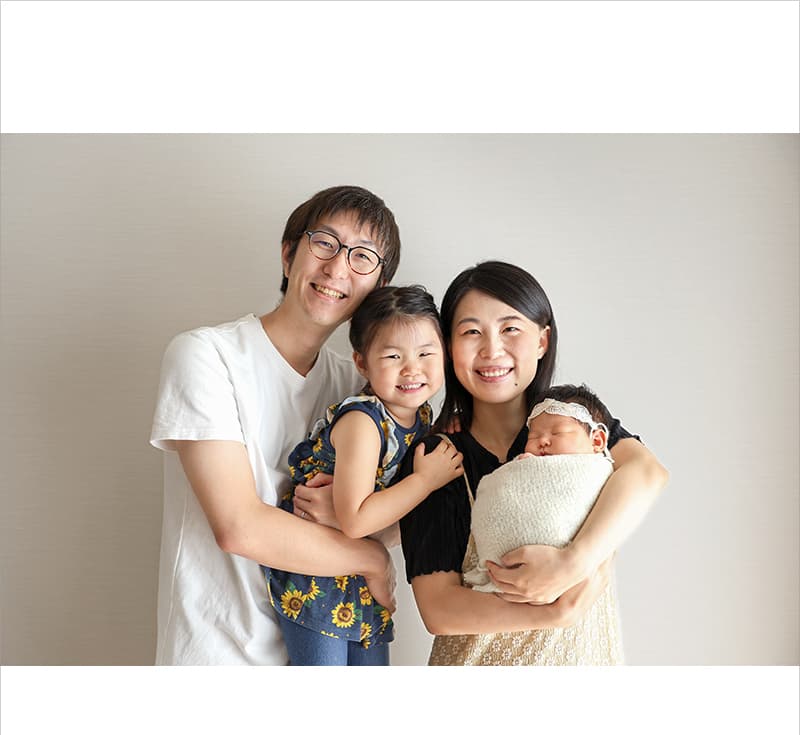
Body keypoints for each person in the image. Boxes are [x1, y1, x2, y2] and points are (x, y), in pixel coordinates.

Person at [149, 185, 405, 665]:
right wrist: (369, 556)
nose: (337, 268)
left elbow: (396, 521)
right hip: (218, 657)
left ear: (378, 286)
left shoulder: (362, 388)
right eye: (324, 243)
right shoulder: (206, 356)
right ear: (289, 255)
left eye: (362, 256)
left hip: (327, 648)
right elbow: (239, 527)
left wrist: (355, 517)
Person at [398, 261, 669, 666]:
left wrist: (572, 563)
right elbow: (439, 610)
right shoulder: (435, 459)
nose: (492, 350)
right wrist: (554, 613)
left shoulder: (574, 423)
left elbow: (647, 472)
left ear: (542, 341)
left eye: (510, 328)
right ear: (448, 347)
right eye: (471, 332)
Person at [263, 285, 464, 666]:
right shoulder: (363, 421)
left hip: (358, 577)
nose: (412, 369)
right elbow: (355, 520)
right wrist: (425, 481)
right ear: (361, 363)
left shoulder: (419, 417)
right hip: (317, 573)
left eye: (426, 353)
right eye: (393, 356)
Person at [462, 383, 625, 665]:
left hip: (578, 628)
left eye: (557, 433)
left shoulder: (600, 470)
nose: (542, 442)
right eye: (534, 435)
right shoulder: (522, 460)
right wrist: (521, 470)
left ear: (597, 440)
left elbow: (648, 473)